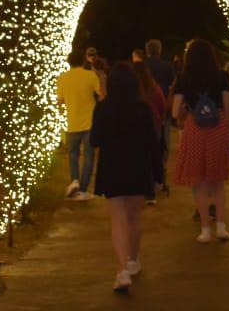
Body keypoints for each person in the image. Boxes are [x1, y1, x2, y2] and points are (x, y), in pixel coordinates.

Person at [91, 63, 155, 292]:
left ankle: (122, 270)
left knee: (118, 217)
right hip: (137, 165)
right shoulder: (142, 108)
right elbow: (152, 140)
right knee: (134, 216)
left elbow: (95, 140)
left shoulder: (103, 108)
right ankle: (133, 260)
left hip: (112, 166)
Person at [172, 37, 229, 242]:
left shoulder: (184, 78)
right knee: (217, 182)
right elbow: (227, 107)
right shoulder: (221, 76)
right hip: (218, 128)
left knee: (198, 182)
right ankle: (221, 226)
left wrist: (184, 111)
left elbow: (174, 112)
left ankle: (205, 230)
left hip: (195, 128)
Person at [56, 49, 102, 200]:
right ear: (83, 60)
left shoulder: (62, 78)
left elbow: (60, 101)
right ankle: (82, 189)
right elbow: (102, 94)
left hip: (72, 122)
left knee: (73, 154)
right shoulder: (90, 75)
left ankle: (74, 181)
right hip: (90, 122)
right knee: (89, 155)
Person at [134, 59, 168, 202]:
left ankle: (141, 187)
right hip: (154, 126)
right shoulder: (154, 87)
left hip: (135, 127)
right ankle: (155, 184)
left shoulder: (132, 89)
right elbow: (162, 106)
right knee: (153, 156)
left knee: (139, 158)